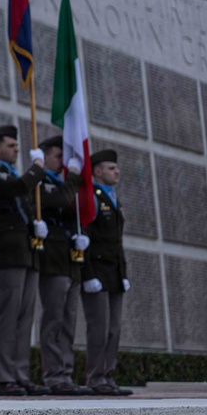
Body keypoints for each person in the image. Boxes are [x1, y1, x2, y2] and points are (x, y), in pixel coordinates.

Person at [0, 125, 50, 397]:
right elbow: (18, 188)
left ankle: (20, 374)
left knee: (25, 317)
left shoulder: (12, 172)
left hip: (26, 249)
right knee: (9, 316)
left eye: (15, 145)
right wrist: (37, 167)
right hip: (7, 250)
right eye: (10, 145)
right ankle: (5, 376)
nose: (16, 149)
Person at [36, 135, 94, 396]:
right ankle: (53, 375)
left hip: (70, 259)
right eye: (58, 157)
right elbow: (58, 200)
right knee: (54, 320)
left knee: (69, 320)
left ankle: (66, 373)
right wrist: (73, 177)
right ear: (45, 156)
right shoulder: (38, 180)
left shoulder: (62, 184)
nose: (63, 163)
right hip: (52, 259)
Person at [82, 149, 133, 396]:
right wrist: (88, 274)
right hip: (97, 272)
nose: (117, 172)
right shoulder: (93, 196)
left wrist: (123, 273)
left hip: (113, 272)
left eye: (117, 167)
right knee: (99, 328)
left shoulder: (114, 198)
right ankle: (95, 377)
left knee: (113, 329)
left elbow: (117, 241)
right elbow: (87, 238)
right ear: (98, 171)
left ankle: (108, 375)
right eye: (111, 168)